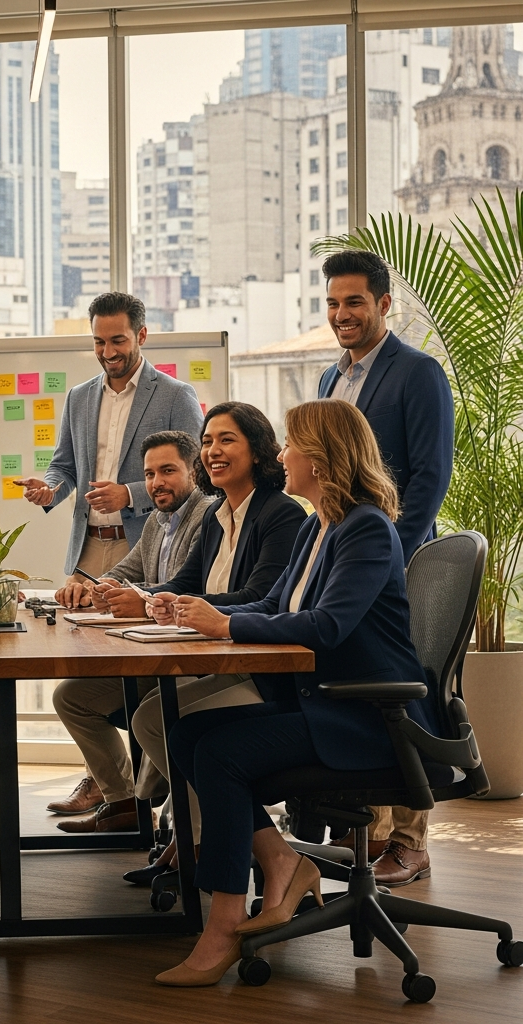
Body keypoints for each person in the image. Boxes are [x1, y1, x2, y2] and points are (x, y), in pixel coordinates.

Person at [154, 398, 438, 987]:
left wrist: (226, 626)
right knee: (186, 733)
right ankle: (284, 860)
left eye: (290, 444)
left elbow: (326, 624)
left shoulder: (366, 528)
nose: (281, 454)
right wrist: (198, 615)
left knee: (221, 752)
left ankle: (226, 922)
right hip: (323, 703)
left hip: (366, 717)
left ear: (322, 456)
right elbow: (273, 604)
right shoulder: (319, 525)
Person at [123, 402, 305, 882]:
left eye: (226, 440)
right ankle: (204, 836)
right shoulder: (217, 514)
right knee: (151, 718)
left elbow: (261, 597)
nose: (212, 450)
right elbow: (185, 584)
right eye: (206, 441)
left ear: (258, 450)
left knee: (167, 722)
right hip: (222, 660)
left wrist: (197, 609)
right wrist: (145, 599)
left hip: (261, 667)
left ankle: (206, 840)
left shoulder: (280, 513)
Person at [318, 249, 455, 886]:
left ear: (383, 304)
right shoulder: (327, 381)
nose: (342, 314)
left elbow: (429, 476)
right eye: (333, 303)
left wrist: (387, 549)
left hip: (395, 559)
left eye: (354, 302)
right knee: (359, 684)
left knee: (396, 684)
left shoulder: (418, 372)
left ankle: (408, 839)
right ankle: (368, 834)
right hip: (340, 556)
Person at [45, 430, 214, 831]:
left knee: (139, 707)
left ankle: (201, 818)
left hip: (190, 661)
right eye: (150, 473)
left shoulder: (207, 514)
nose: (157, 482)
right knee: (71, 696)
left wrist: (137, 596)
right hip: (154, 656)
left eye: (168, 471)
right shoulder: (157, 520)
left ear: (194, 470)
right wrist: (92, 587)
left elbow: (191, 588)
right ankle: (122, 804)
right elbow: (128, 570)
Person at [17, 292, 203, 581]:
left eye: (118, 340)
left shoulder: (176, 396)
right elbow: (64, 467)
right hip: (86, 548)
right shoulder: (78, 398)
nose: (108, 352)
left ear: (141, 335)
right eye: (99, 342)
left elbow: (197, 474)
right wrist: (50, 490)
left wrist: (128, 495)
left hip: (144, 546)